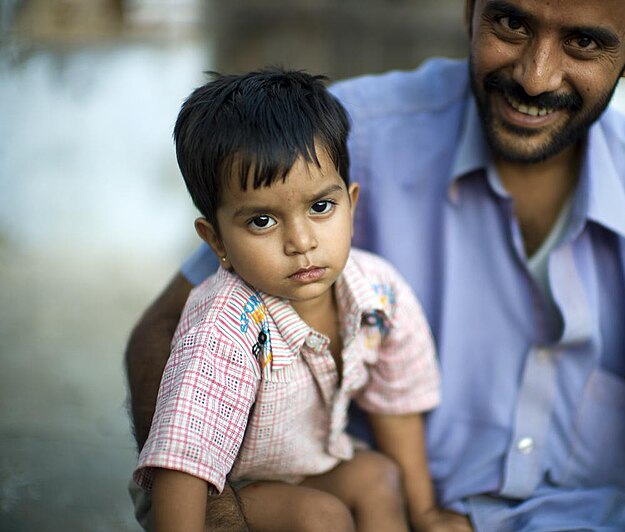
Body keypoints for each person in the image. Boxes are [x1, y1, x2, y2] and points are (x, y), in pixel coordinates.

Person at [126, 1, 625, 530]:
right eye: (510, 23)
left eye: (585, 42)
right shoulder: (341, 137)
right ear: (469, 9)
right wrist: (224, 516)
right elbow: (167, 331)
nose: (535, 76)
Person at [131, 68, 457, 531]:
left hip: (305, 470)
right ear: (216, 240)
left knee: (377, 476)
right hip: (212, 491)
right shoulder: (226, 322)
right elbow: (182, 462)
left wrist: (426, 514)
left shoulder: (379, 294)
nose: (301, 241)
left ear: (352, 203)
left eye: (321, 207)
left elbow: (397, 407)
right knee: (321, 517)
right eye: (262, 221)